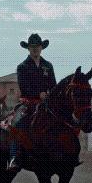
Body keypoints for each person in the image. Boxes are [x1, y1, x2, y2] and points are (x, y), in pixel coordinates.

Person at [7, 33, 56, 171]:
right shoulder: (22, 66)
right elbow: (24, 87)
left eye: (37, 46)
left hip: (46, 103)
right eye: (32, 47)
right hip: (28, 103)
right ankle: (14, 158)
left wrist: (49, 94)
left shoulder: (48, 65)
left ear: (42, 48)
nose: (35, 49)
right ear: (28, 49)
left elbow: (53, 85)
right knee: (17, 123)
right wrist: (38, 94)